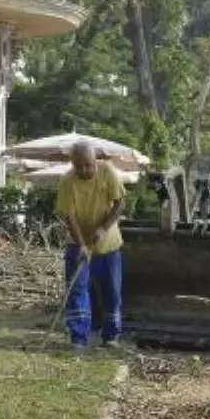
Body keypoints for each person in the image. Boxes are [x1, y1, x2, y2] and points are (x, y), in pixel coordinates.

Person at [56, 140, 128, 350]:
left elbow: (120, 203)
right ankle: (79, 338)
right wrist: (81, 246)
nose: (84, 170)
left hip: (108, 245)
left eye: (88, 165)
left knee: (112, 291)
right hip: (77, 244)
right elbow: (69, 217)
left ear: (95, 160)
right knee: (77, 291)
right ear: (73, 164)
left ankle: (111, 336)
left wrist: (103, 228)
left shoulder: (107, 171)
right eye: (79, 166)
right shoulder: (67, 181)